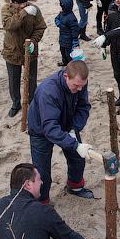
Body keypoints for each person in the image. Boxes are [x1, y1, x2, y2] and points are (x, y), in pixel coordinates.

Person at [27, 61, 94, 202]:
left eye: (83, 85)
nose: (80, 89)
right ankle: (42, 202)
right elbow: (50, 128)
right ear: (65, 76)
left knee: (77, 157)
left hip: (66, 123)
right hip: (41, 130)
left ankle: (75, 186)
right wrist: (75, 144)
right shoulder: (49, 91)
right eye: (76, 86)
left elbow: (83, 107)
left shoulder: (80, 83)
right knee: (42, 171)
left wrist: (73, 128)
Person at [2, 0, 47, 118]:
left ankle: (33, 103)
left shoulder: (34, 10)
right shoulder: (6, 9)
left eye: (25, 3)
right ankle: (16, 104)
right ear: (13, 2)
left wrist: (33, 41)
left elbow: (40, 27)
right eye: (20, 4)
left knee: (32, 80)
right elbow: (9, 25)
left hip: (30, 51)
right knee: (13, 80)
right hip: (12, 51)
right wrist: (23, 13)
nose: (23, 5)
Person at [54, 0, 80, 67]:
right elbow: (56, 19)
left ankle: (71, 66)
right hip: (62, 38)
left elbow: (75, 30)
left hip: (69, 41)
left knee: (68, 54)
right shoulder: (62, 13)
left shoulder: (72, 18)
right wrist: (59, 24)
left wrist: (75, 41)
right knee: (62, 52)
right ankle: (64, 62)